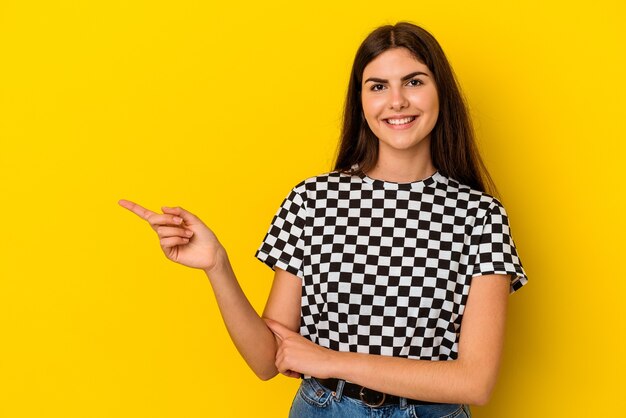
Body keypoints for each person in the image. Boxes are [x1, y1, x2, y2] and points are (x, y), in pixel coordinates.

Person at [119, 22, 527, 418]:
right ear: (361, 101)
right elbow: (268, 361)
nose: (397, 101)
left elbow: (475, 382)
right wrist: (217, 265)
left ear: (441, 93)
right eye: (378, 86)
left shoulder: (480, 216)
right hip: (323, 411)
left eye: (414, 81)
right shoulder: (313, 201)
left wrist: (331, 360)